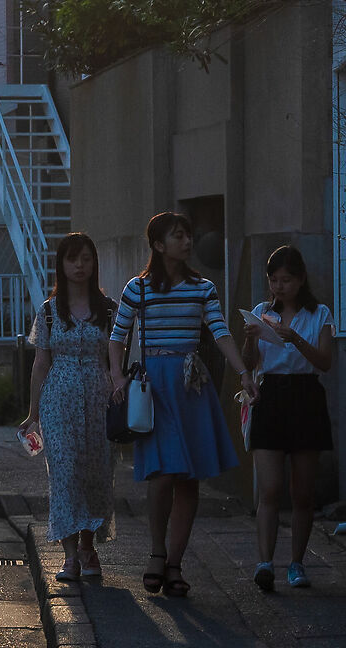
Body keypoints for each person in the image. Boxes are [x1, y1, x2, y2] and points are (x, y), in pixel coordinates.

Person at [108, 211, 256, 599]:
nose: (187, 242)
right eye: (178, 236)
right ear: (158, 244)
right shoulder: (137, 288)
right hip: (154, 387)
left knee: (189, 478)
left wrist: (244, 372)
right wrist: (117, 377)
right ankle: (157, 552)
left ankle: (174, 563)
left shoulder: (203, 288)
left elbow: (219, 331)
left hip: (191, 385)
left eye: (188, 235)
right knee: (162, 474)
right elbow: (117, 336)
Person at [21, 232, 114, 586]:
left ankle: (89, 549)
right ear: (61, 264)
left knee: (95, 473)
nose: (80, 265)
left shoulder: (109, 310)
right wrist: (33, 414)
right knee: (64, 473)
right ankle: (70, 555)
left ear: (94, 263)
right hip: (58, 400)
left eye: (86, 258)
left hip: (99, 400)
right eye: (73, 259)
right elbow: (40, 363)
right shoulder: (48, 312)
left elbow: (116, 359)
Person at [242, 244, 336, 592]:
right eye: (273, 280)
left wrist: (294, 338)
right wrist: (250, 340)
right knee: (269, 488)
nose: (279, 287)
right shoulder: (261, 312)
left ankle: (297, 563)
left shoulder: (319, 314)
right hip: (271, 395)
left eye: (286, 280)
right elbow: (249, 362)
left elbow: (325, 362)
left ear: (300, 280)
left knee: (302, 492)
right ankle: (264, 562)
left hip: (306, 395)